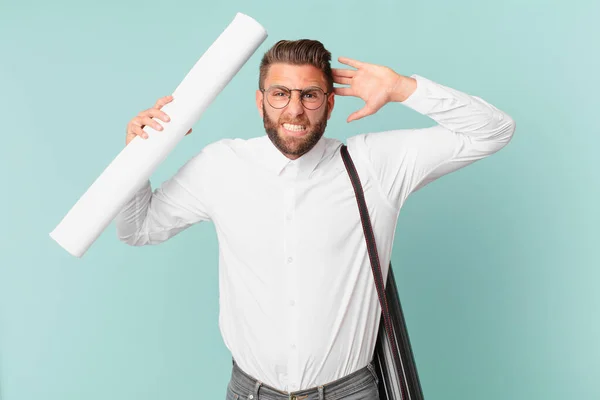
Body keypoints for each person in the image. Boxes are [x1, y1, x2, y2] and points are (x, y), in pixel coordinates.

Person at [116, 39, 515, 400]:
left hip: (349, 393)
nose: (294, 108)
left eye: (309, 95)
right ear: (260, 102)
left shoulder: (373, 165)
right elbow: (137, 229)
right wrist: (136, 157)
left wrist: (402, 88)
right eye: (280, 94)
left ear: (329, 103)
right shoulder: (221, 165)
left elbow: (494, 131)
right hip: (250, 393)